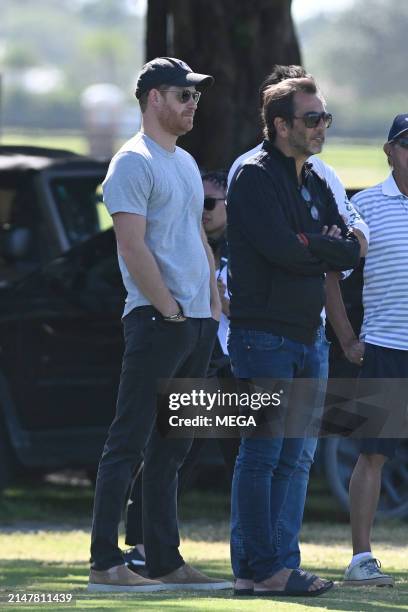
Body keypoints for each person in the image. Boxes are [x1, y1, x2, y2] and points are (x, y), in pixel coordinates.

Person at [89, 56, 232, 592]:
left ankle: (165, 562)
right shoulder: (132, 161)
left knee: (175, 448)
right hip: (156, 320)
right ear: (154, 98)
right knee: (127, 442)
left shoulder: (187, 163)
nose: (193, 103)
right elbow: (131, 245)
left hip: (195, 323)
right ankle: (106, 564)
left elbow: (196, 239)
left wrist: (211, 302)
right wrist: (170, 308)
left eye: (195, 95)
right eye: (183, 94)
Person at [228, 65, 369, 597]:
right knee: (264, 454)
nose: (322, 126)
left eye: (325, 117)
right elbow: (283, 250)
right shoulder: (254, 175)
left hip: (308, 337)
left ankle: (274, 567)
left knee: (295, 457)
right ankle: (263, 569)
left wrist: (314, 243)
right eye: (313, 118)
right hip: (263, 338)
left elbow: (350, 248)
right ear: (281, 125)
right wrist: (315, 244)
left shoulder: (311, 177)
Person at [123, 171, 239, 571]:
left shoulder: (245, 249)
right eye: (198, 203)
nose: (203, 211)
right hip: (195, 360)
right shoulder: (182, 243)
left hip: (233, 366)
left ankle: (259, 556)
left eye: (211, 204)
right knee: (170, 456)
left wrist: (228, 300)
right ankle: (141, 547)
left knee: (246, 460)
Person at [341, 114, 408, 587]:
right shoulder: (363, 206)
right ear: (389, 151)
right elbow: (332, 276)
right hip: (386, 348)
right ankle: (361, 558)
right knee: (373, 456)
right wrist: (345, 336)